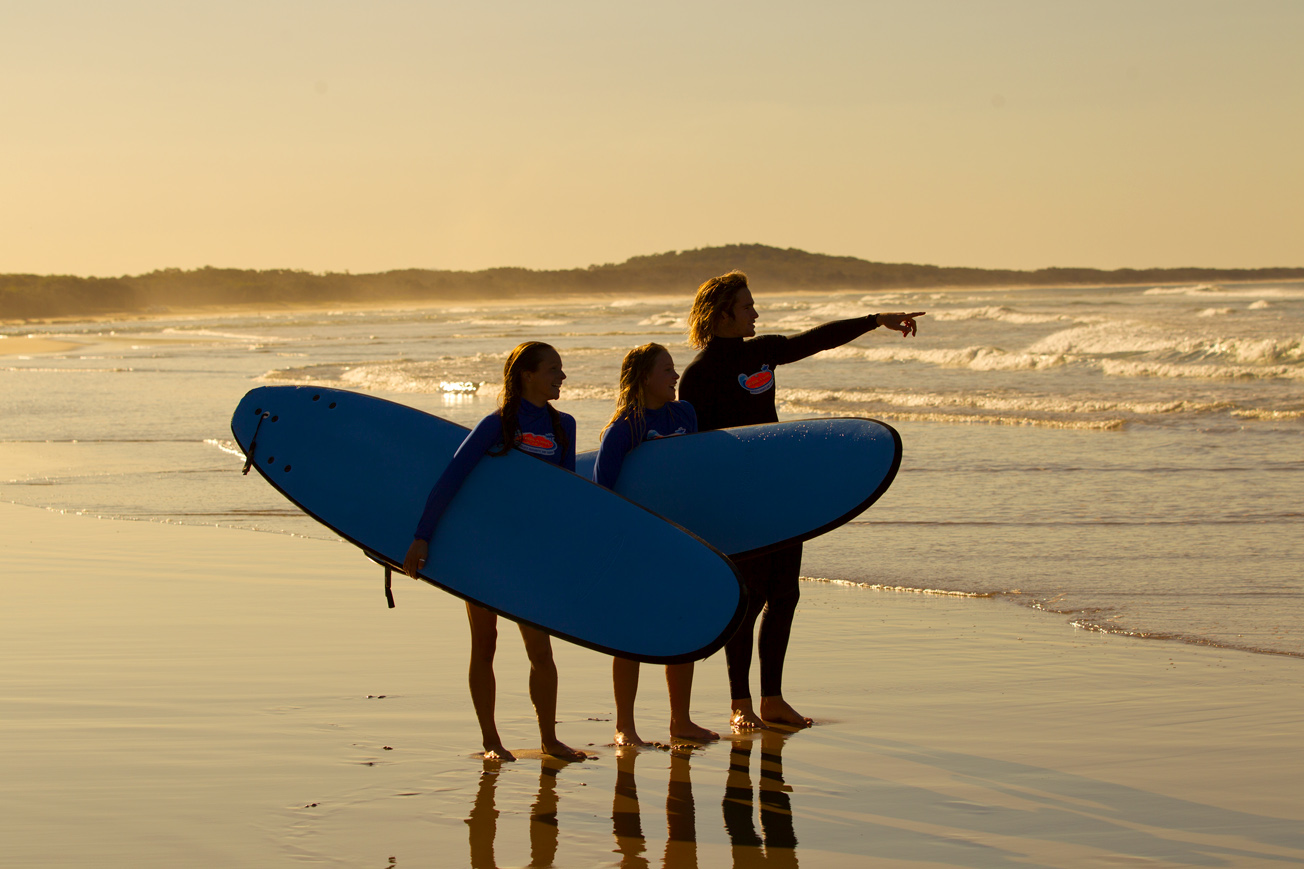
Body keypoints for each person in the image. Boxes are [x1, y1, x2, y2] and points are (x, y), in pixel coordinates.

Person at [678, 270, 924, 730]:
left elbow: (817, 340)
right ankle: (740, 703)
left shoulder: (763, 352)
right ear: (723, 313)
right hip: (737, 502)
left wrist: (876, 320)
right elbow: (693, 452)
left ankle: (772, 698)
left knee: (785, 595)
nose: (756, 312)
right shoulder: (698, 376)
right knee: (746, 599)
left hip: (780, 493)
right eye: (747, 305)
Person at [402, 341, 587, 762]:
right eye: (554, 369)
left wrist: (569, 552)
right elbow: (453, 478)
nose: (562, 376)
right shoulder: (497, 425)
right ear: (527, 375)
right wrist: (422, 535)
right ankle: (491, 741)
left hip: (531, 554)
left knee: (541, 650)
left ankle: (548, 738)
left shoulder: (564, 427)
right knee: (485, 642)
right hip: (484, 549)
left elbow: (567, 497)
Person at [593, 343, 719, 745]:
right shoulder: (625, 428)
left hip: (682, 537)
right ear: (645, 377)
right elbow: (602, 493)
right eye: (667, 369)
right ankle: (624, 727)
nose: (675, 376)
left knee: (682, 627)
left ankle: (680, 721)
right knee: (630, 634)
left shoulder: (685, 414)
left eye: (674, 368)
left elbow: (695, 471)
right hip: (638, 541)